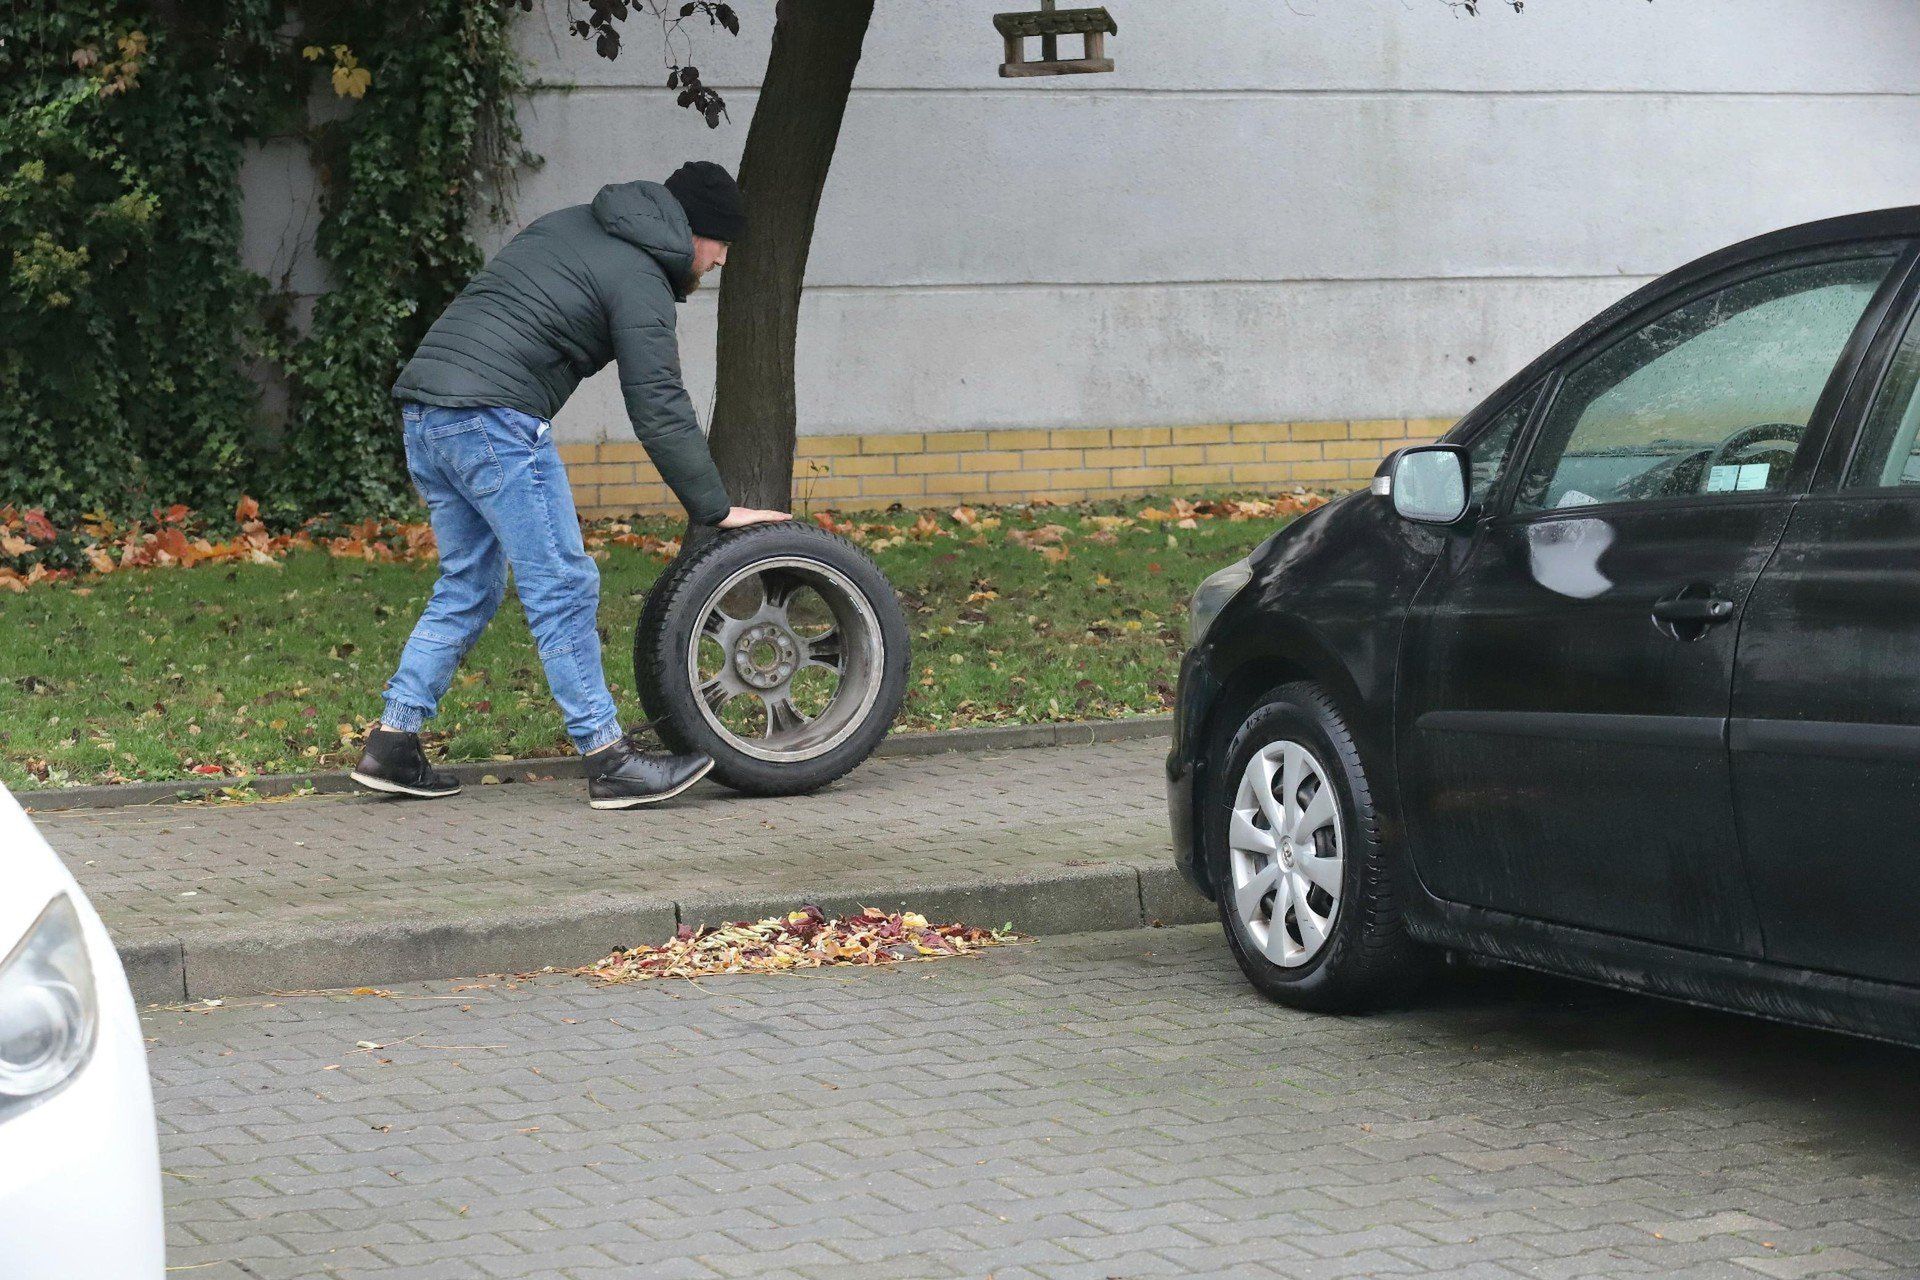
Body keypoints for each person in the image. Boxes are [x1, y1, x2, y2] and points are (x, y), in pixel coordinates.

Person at [351, 161, 788, 809]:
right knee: (562, 583)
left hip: (427, 413)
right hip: (494, 419)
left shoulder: (573, 225)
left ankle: (393, 741)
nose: (722, 259)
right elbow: (658, 402)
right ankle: (609, 759)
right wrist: (714, 507)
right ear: (693, 231)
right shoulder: (640, 273)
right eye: (721, 242)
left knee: (469, 585)